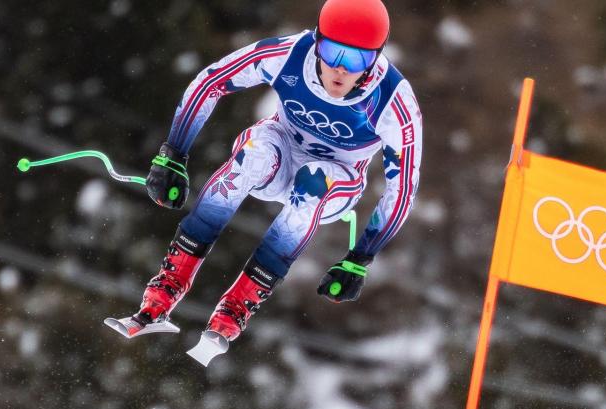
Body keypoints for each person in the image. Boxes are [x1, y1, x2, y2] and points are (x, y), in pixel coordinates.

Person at [110, 0, 423, 357]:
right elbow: (211, 80)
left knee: (313, 181)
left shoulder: (392, 101)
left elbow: (403, 189)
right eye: (332, 51)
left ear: (375, 59)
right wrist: (173, 153)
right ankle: (168, 284)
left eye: (355, 60)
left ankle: (237, 305)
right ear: (318, 40)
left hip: (338, 178)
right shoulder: (292, 54)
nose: (338, 69)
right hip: (280, 149)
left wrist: (361, 257)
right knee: (253, 154)